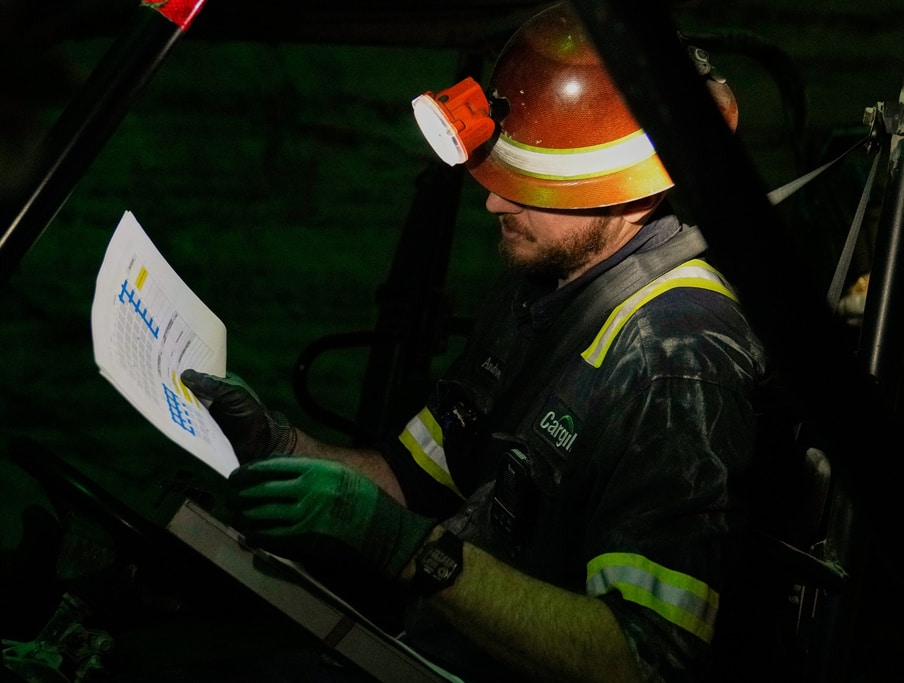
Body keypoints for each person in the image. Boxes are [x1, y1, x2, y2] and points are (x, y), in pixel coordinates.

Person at [181, 3, 774, 681]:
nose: (495, 203)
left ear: (633, 197)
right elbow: (413, 478)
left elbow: (644, 657)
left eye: (533, 186)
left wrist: (407, 549)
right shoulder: (538, 287)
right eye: (499, 174)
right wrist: (280, 444)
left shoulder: (675, 354)